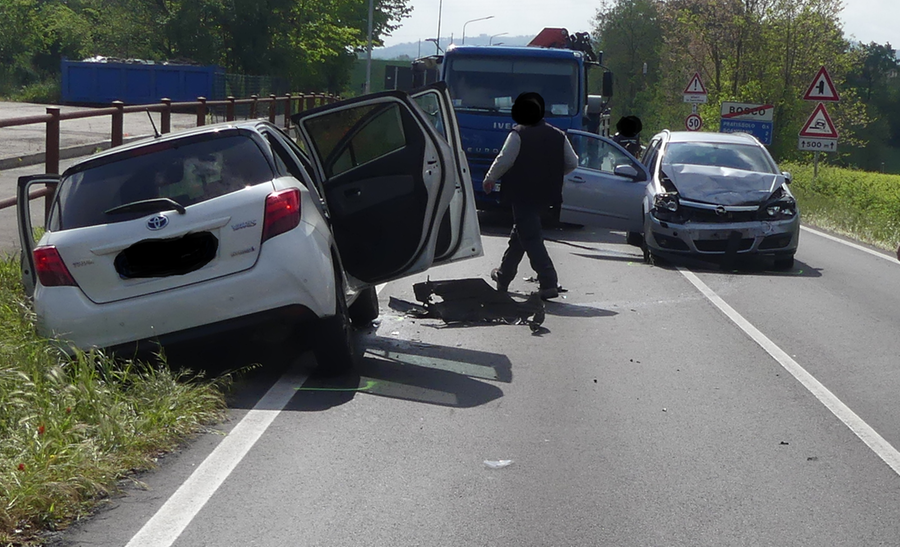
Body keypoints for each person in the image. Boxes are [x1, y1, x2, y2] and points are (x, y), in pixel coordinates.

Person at [483, 92, 579, 300]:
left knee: (531, 237)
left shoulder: (518, 134)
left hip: (522, 192)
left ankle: (548, 281)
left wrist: (490, 178)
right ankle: (503, 276)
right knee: (521, 235)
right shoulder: (558, 135)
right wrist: (552, 174)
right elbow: (573, 163)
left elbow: (504, 160)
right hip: (546, 194)